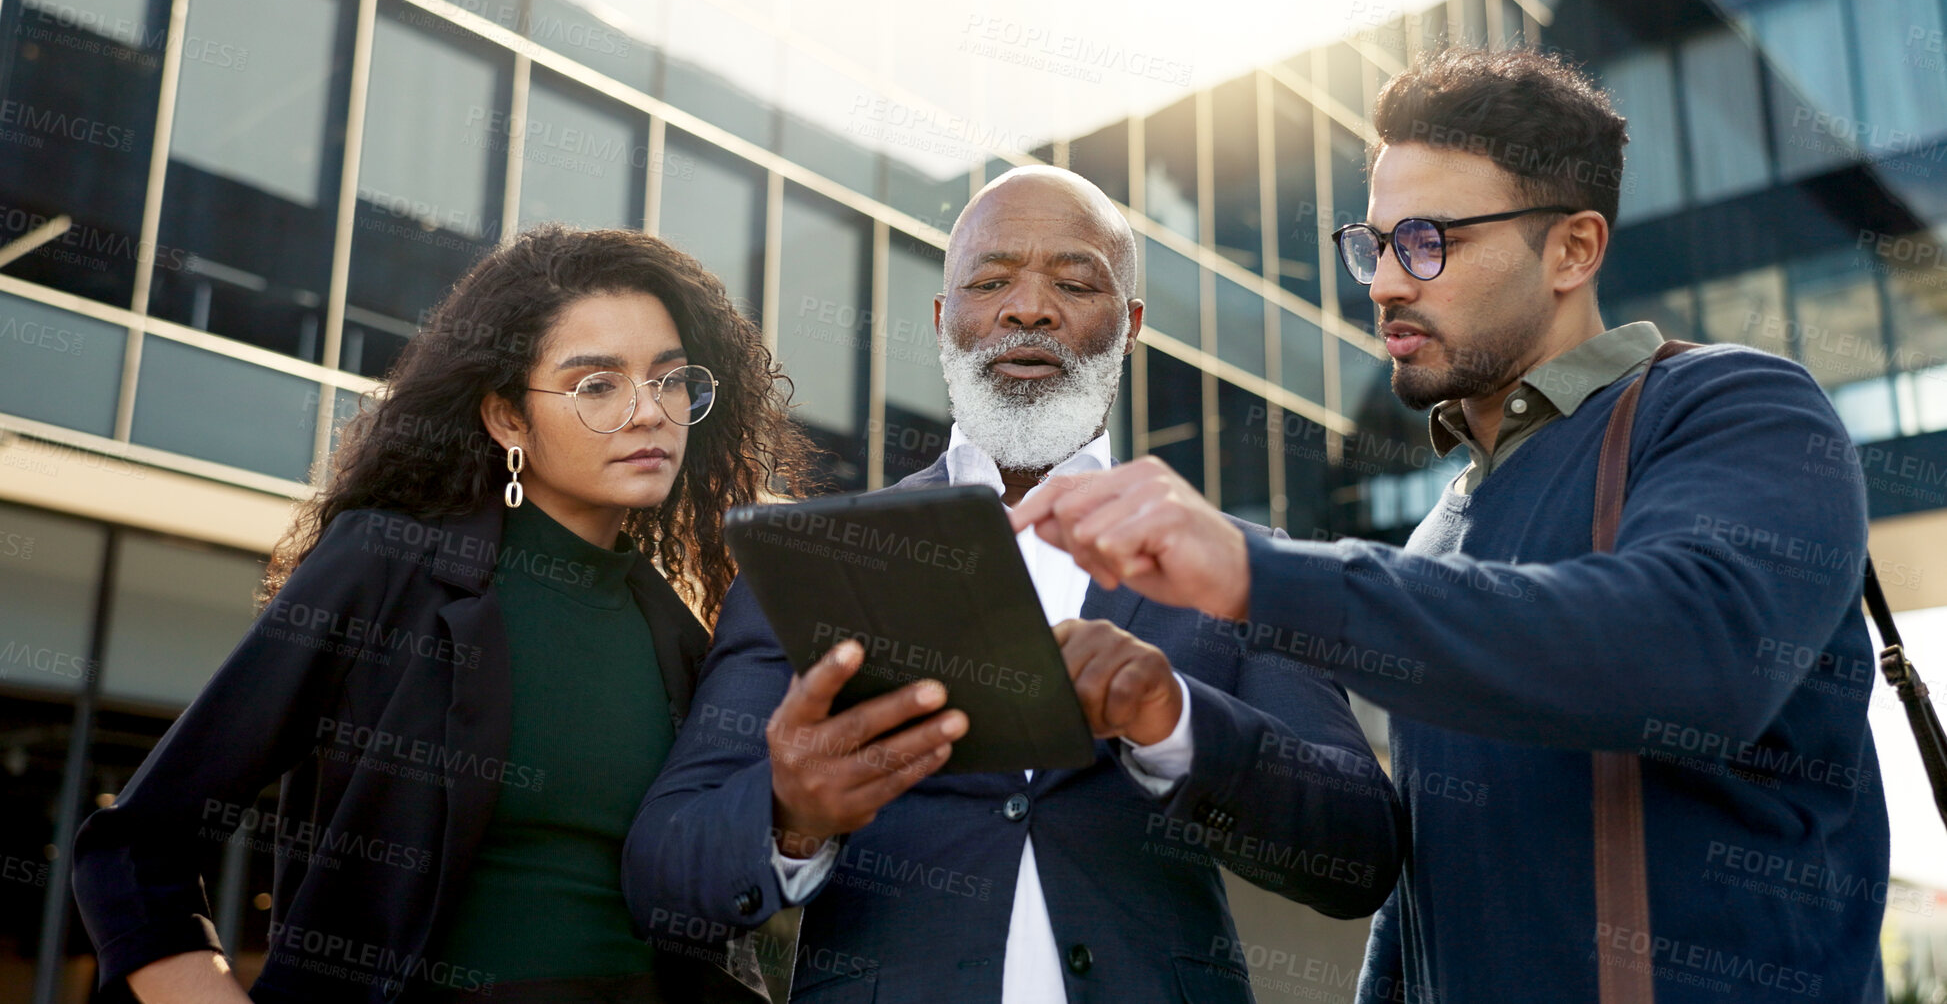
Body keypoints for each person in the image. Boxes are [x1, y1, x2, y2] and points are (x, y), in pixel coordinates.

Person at [1011, 50, 1891, 1003]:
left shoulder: (1736, 406)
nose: (1384, 283)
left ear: (1573, 250)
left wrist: (1258, 571)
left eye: (1429, 241)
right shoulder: (1441, 525)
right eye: (1375, 243)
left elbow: (1693, 655)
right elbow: (1425, 892)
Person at [623, 166, 1403, 1003]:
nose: (1027, 308)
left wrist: (1173, 719)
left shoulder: (1232, 560)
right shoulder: (818, 556)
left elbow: (1357, 853)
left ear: (1130, 325)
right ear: (941, 318)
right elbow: (663, 875)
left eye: (1072, 282)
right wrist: (786, 810)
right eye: (991, 281)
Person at [71, 225, 818, 1003]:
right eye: (596, 384)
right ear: (506, 420)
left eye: (668, 379)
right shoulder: (389, 565)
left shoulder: (680, 630)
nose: (648, 412)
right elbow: (133, 849)